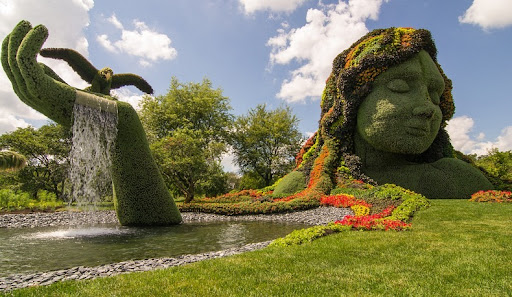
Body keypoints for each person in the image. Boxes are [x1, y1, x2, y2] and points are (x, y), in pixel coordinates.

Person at [1, 21, 181, 225]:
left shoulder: (116, 87)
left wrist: (143, 88)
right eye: (105, 73)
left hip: (104, 105)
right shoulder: (93, 73)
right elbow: (69, 55)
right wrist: (79, 98)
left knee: (123, 109)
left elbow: (135, 81)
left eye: (109, 74)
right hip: (93, 98)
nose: (107, 76)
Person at [285, 27, 493, 198]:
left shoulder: (458, 178)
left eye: (436, 95)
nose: (429, 108)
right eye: (400, 86)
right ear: (351, 102)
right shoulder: (302, 184)